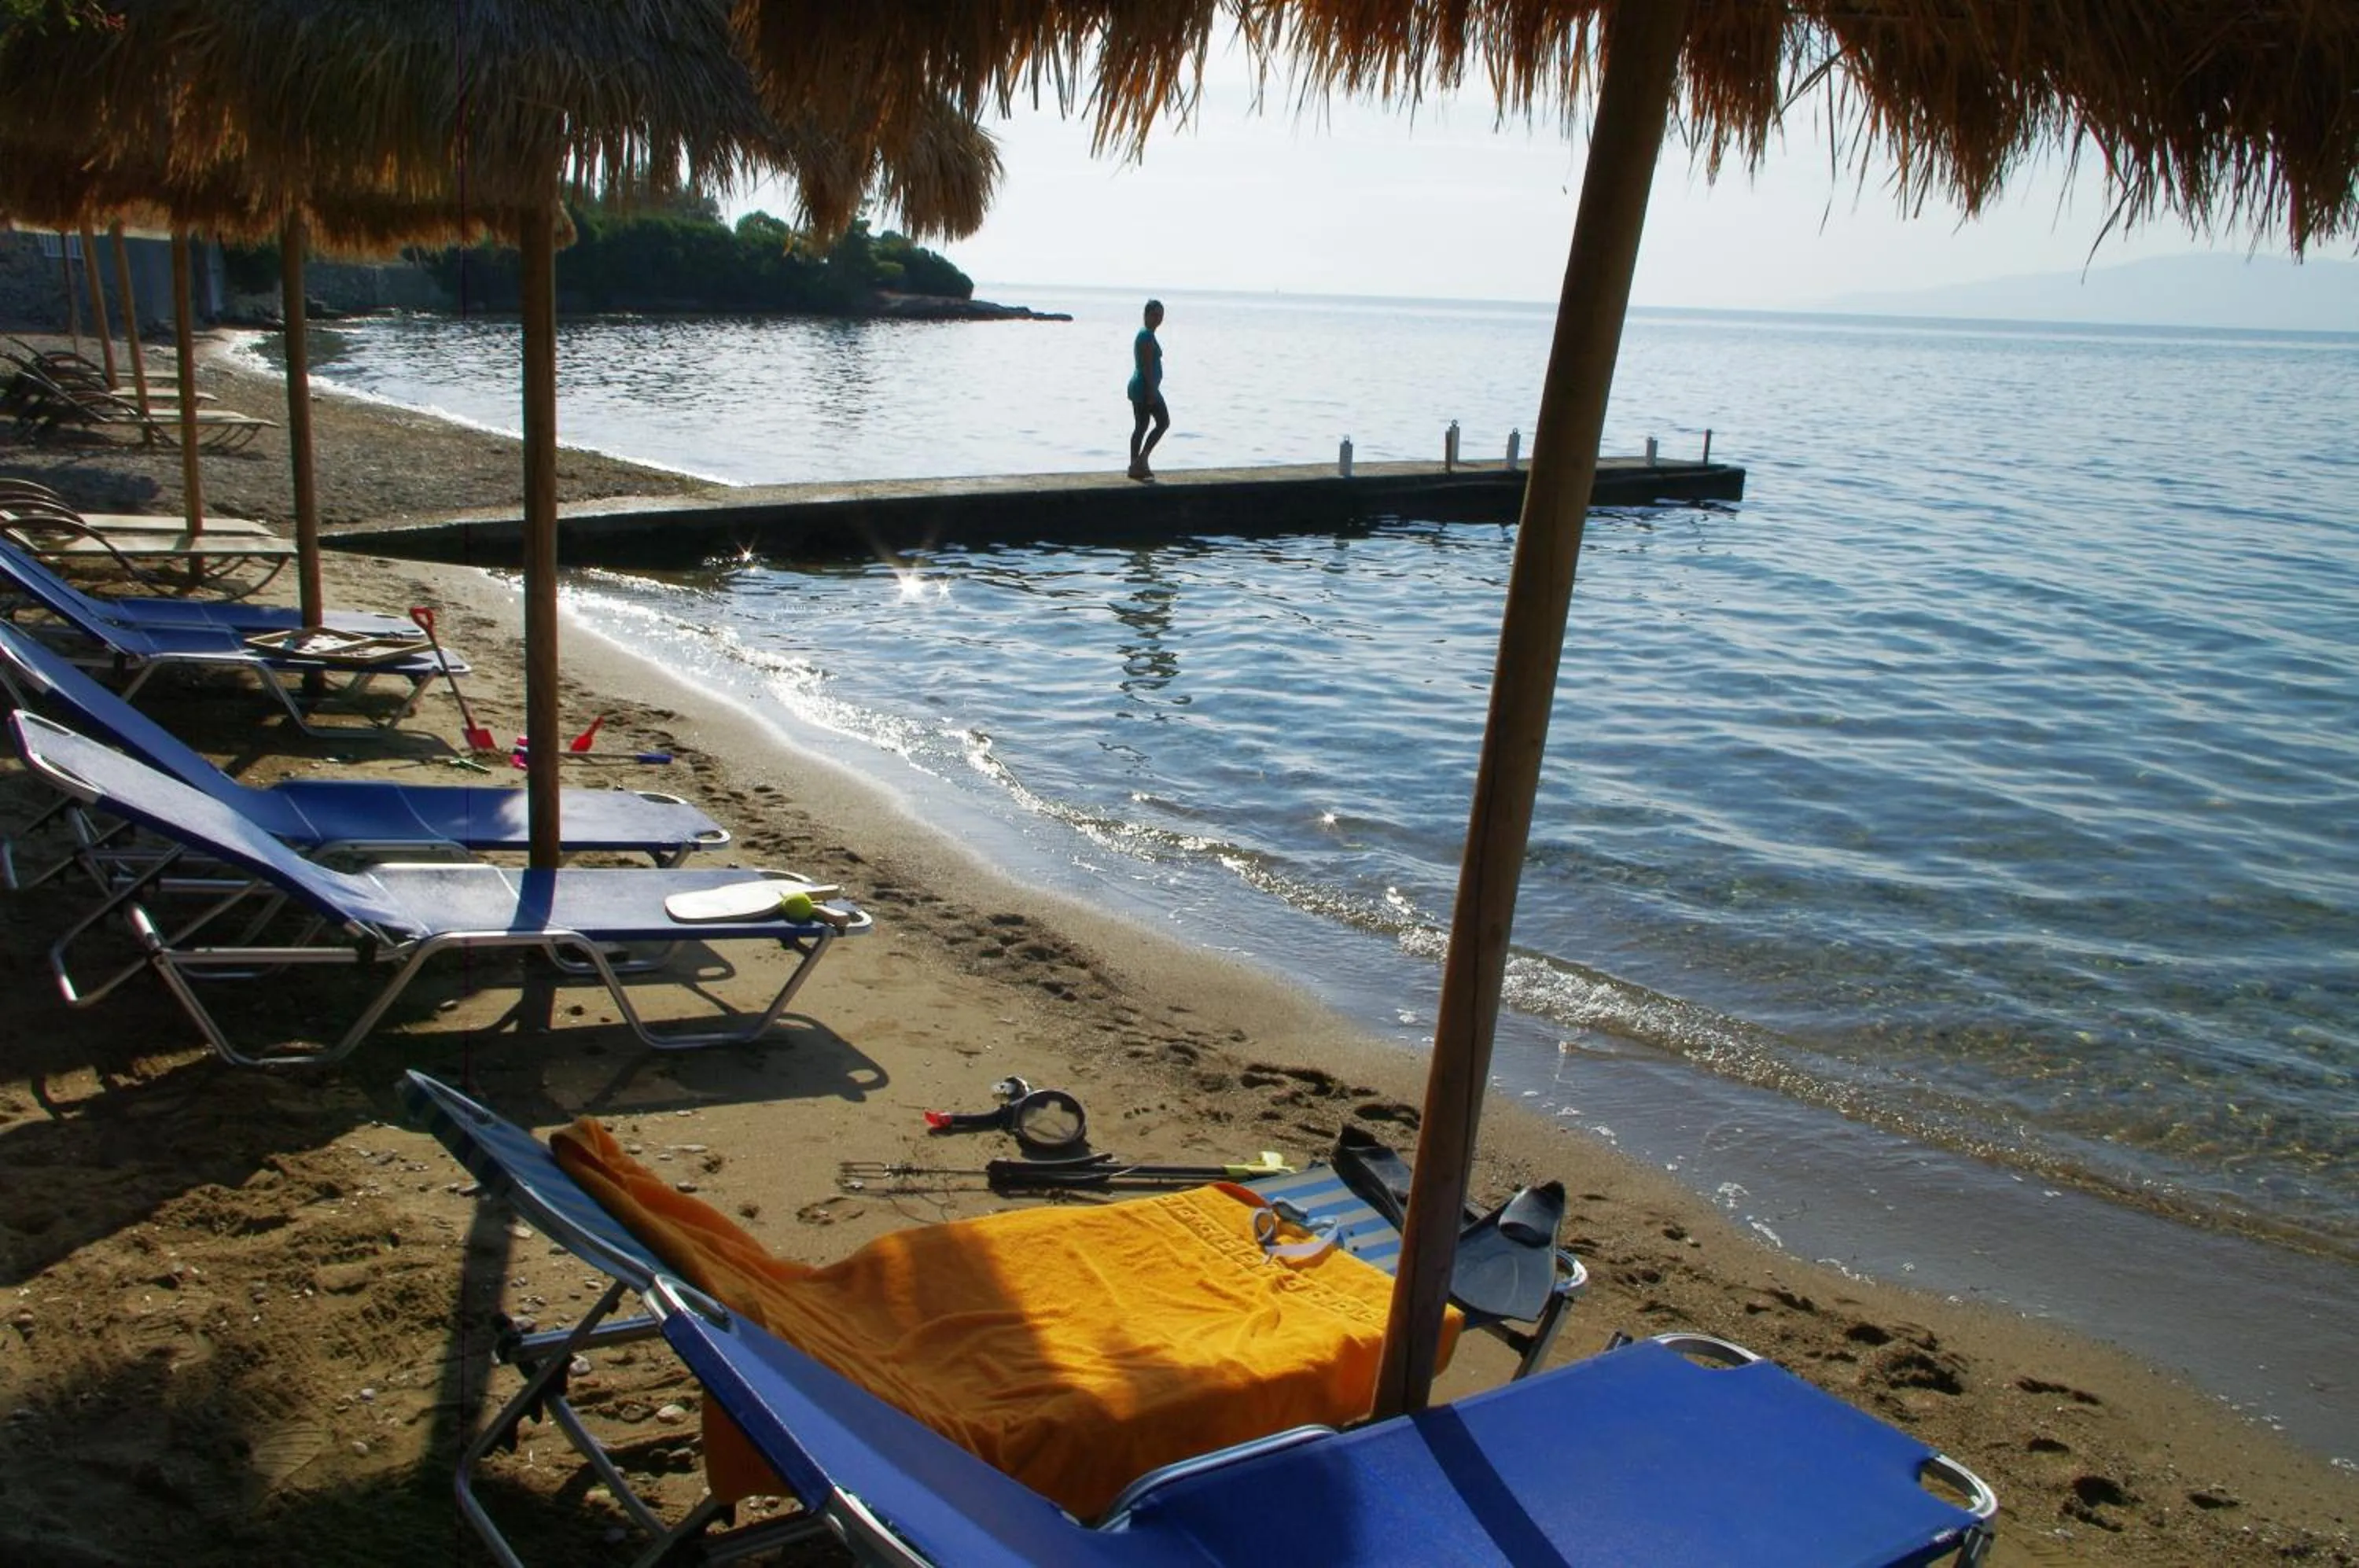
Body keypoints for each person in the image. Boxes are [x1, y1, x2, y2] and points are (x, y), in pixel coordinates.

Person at [1126, 298, 1169, 481]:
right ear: (1146, 315)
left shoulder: (1148, 334)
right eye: (1154, 315)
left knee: (1142, 427)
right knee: (1163, 422)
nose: (1158, 319)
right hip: (1145, 387)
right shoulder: (1145, 336)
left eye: (1161, 315)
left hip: (1144, 386)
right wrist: (1152, 391)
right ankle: (1141, 460)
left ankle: (1136, 465)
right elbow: (1146, 366)